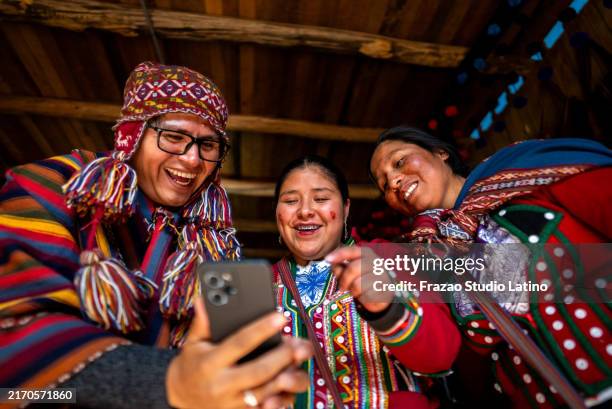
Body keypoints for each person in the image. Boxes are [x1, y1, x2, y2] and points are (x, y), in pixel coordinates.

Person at [0, 62, 312, 409]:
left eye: (208, 145)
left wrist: (249, 382)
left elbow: (220, 364)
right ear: (132, 136)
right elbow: (11, 357)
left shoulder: (210, 245)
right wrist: (170, 382)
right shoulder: (52, 188)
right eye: (174, 137)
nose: (192, 159)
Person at [328, 126, 612, 408]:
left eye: (399, 162)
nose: (393, 181)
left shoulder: (525, 178)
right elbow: (441, 353)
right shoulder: (422, 260)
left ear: (441, 153)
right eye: (384, 185)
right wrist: (386, 305)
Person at [273, 155, 461, 408]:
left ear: (345, 209)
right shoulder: (260, 285)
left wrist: (388, 308)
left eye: (321, 198)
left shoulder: (390, 259)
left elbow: (440, 357)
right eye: (291, 201)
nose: (305, 211)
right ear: (278, 214)